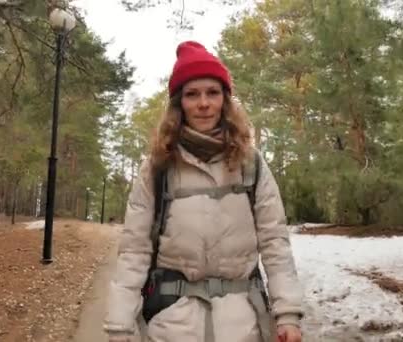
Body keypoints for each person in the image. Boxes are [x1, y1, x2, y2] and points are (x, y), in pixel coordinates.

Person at [104, 41, 304, 342]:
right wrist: (119, 326)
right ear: (178, 103)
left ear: (225, 100)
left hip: (244, 326)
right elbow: (135, 250)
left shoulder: (251, 164)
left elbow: (275, 241)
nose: (203, 103)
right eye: (192, 94)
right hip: (172, 326)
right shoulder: (157, 168)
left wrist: (287, 314)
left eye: (212, 92)